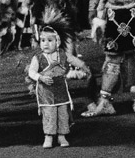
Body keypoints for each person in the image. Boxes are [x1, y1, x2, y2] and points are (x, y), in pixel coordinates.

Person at [28, 8, 90, 149]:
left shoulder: (61, 54)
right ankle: (48, 137)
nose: (45, 44)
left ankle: (62, 136)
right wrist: (40, 77)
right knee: (49, 114)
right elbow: (31, 72)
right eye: (43, 40)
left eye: (50, 40)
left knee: (63, 114)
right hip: (46, 92)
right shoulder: (38, 57)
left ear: (58, 41)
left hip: (61, 91)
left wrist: (84, 66)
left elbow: (72, 59)